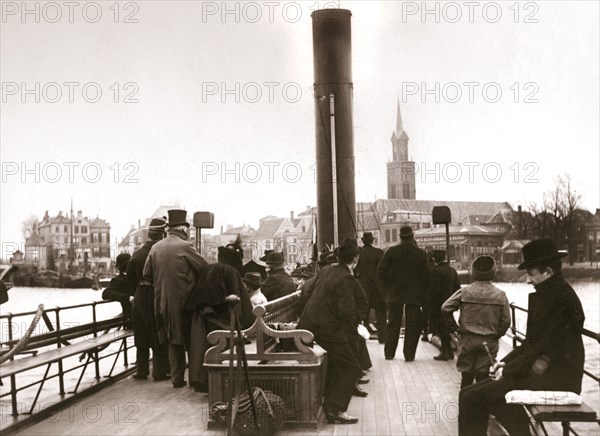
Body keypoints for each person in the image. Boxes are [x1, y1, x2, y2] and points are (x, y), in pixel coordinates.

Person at [458, 239, 585, 436]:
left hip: (557, 378)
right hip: (545, 371)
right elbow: (532, 343)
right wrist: (504, 364)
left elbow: (543, 347)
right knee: (468, 394)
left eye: (531, 274)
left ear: (548, 272)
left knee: (471, 397)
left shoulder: (563, 302)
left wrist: (509, 369)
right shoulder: (553, 295)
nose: (527, 280)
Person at [297, 238, 364, 424]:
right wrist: (354, 329)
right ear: (356, 259)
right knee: (352, 366)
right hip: (327, 329)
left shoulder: (327, 270)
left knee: (336, 362)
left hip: (308, 325)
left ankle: (330, 404)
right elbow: (346, 312)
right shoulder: (346, 278)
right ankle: (336, 410)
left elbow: (308, 290)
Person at [143, 209, 207, 388]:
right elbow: (204, 268)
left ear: (169, 228)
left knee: (172, 339)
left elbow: (146, 274)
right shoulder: (185, 246)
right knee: (191, 340)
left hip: (162, 302)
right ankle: (195, 378)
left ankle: (177, 378)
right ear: (183, 229)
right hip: (185, 302)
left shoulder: (155, 248)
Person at [185, 246, 254, 393]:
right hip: (218, 320)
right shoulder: (231, 272)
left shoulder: (209, 268)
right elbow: (239, 301)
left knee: (200, 350)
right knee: (220, 350)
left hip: (201, 316)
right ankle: (219, 386)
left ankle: (202, 383)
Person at [442, 255, 510, 388]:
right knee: (483, 375)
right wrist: (498, 334)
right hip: (489, 340)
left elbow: (445, 308)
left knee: (466, 375)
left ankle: (464, 405)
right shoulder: (500, 295)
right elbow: (506, 321)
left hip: (467, 339)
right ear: (493, 273)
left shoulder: (465, 291)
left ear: (473, 272)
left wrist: (454, 327)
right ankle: (480, 405)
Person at [377, 225, 431, 361]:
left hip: (395, 293)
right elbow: (426, 276)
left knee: (393, 323)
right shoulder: (421, 254)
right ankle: (409, 355)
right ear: (412, 237)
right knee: (412, 325)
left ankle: (389, 354)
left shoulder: (391, 251)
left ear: (400, 237)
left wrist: (387, 287)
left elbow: (381, 271)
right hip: (414, 294)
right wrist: (421, 291)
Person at [126, 217, 169, 381]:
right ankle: (159, 371)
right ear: (161, 235)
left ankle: (142, 371)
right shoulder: (159, 253)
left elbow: (130, 278)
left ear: (148, 235)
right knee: (158, 331)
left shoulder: (137, 254)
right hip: (155, 294)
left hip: (139, 295)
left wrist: (138, 291)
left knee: (141, 332)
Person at [428, 249, 461, 361]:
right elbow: (457, 288)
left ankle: (445, 351)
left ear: (434, 259)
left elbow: (433, 290)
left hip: (438, 304)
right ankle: (450, 351)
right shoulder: (452, 270)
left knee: (441, 327)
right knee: (447, 326)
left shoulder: (435, 271)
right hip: (450, 303)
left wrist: (429, 303)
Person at [354, 232, 386, 344]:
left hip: (362, 287)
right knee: (381, 313)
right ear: (373, 240)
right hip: (377, 287)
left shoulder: (358, 253)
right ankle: (383, 337)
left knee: (363, 314)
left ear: (362, 241)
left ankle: (362, 337)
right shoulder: (379, 253)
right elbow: (384, 270)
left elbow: (354, 270)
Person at [102, 253, 134, 328]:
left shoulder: (134, 277)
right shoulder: (118, 280)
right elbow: (105, 293)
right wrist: (128, 298)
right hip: (131, 318)